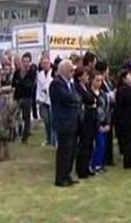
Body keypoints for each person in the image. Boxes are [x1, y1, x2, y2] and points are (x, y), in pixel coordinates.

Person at [50, 59, 81, 187]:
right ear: (64, 70)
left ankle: (67, 174)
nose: (73, 73)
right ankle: (60, 177)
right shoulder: (56, 84)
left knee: (71, 150)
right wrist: (75, 99)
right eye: (71, 70)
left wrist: (75, 99)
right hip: (63, 122)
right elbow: (68, 98)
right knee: (63, 150)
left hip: (72, 121)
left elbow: (77, 96)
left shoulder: (70, 84)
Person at [74, 66, 97, 179]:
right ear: (79, 77)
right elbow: (87, 99)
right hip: (83, 119)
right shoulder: (77, 88)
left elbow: (92, 97)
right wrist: (91, 101)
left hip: (90, 118)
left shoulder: (86, 87)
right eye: (85, 75)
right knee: (83, 144)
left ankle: (88, 166)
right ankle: (81, 169)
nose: (87, 77)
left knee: (89, 144)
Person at [115, 69, 131, 169]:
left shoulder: (127, 89)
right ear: (124, 79)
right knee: (129, 140)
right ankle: (128, 162)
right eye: (129, 76)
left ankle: (130, 159)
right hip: (127, 119)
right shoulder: (123, 90)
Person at [12, 52, 37, 143]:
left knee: (26, 117)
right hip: (18, 97)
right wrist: (21, 82)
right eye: (24, 61)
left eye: (27, 61)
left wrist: (20, 82)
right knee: (14, 116)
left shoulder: (32, 72)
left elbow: (29, 85)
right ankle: (13, 135)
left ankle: (25, 137)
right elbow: (14, 84)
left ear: (30, 62)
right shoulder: (17, 72)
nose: (26, 63)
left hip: (27, 97)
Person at [95, 61, 115, 166]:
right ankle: (102, 160)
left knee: (108, 136)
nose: (108, 72)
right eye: (107, 70)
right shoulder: (100, 82)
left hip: (109, 112)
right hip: (103, 112)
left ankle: (108, 158)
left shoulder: (108, 82)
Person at [91, 72, 111, 173]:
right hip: (95, 124)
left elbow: (107, 109)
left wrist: (107, 123)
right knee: (97, 144)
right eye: (97, 80)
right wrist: (98, 125)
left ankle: (100, 163)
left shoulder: (103, 94)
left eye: (100, 81)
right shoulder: (90, 94)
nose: (99, 83)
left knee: (102, 145)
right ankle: (94, 165)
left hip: (104, 122)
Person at [37, 57, 56, 146]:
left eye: (47, 63)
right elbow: (38, 88)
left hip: (51, 99)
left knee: (52, 121)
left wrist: (47, 89)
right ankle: (48, 138)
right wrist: (38, 99)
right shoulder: (39, 75)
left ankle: (53, 140)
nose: (45, 65)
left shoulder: (53, 73)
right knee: (46, 121)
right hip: (42, 100)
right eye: (43, 63)